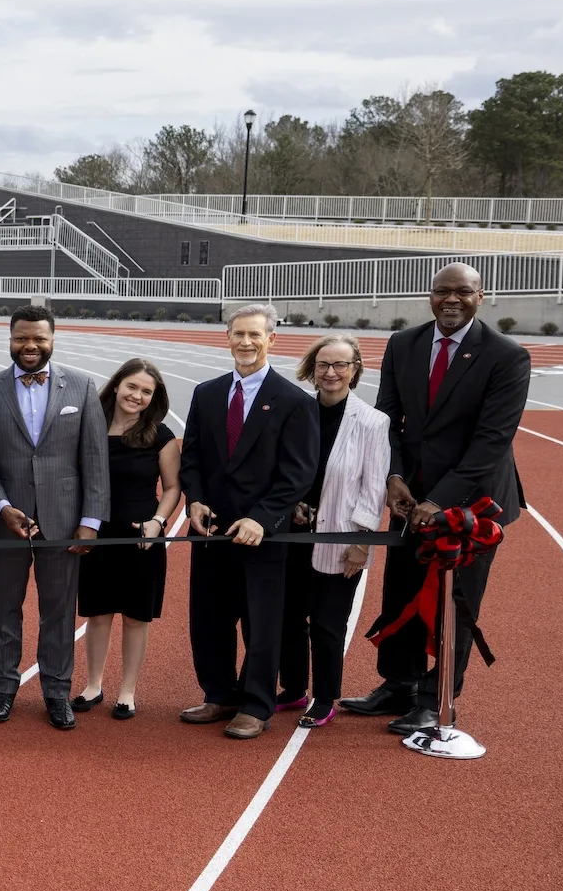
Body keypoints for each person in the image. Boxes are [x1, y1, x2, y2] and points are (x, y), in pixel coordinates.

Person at [342, 263, 531, 733]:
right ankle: (398, 685)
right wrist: (395, 476)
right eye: (443, 291)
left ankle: (436, 695)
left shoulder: (507, 356)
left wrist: (441, 499)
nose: (451, 299)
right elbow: (387, 418)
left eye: (462, 292)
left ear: (480, 297)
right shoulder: (403, 344)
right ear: (430, 295)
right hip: (411, 495)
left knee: (454, 601)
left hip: (472, 504)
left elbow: (492, 441)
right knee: (401, 589)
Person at [177, 302, 320, 739]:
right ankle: (219, 695)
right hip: (212, 529)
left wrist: (263, 518)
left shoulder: (294, 401)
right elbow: (194, 456)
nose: (245, 342)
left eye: (255, 335)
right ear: (227, 338)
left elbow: (299, 472)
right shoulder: (207, 393)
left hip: (264, 535)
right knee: (210, 618)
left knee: (262, 624)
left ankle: (256, 705)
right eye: (238, 334)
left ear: (271, 339)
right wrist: (195, 499)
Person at [0, 307, 109, 729]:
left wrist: (91, 519)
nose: (30, 347)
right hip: (6, 521)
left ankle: (56, 691)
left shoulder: (83, 387)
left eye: (38, 339)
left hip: (64, 522)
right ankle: (2, 688)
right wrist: (0, 506)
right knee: (3, 609)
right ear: (10, 338)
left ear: (53, 339)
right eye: (21, 339)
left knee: (58, 612)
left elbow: (94, 458)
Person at [277, 336, 390, 728]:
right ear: (312, 368)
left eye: (340, 365)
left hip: (340, 539)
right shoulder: (297, 412)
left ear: (355, 369)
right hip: (291, 537)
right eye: (323, 364)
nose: (331, 373)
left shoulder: (373, 422)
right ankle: (293, 690)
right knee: (287, 619)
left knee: (326, 623)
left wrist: (361, 543)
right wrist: (291, 504)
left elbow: (374, 490)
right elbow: (285, 471)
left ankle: (325, 697)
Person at [75, 359, 181, 720]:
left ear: (154, 398)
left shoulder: (160, 434)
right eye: (132, 387)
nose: (137, 396)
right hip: (96, 530)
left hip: (141, 536)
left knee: (137, 617)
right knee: (98, 612)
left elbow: (171, 488)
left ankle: (128, 691)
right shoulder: (91, 425)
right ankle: (93, 685)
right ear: (117, 385)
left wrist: (157, 521)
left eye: (146, 391)